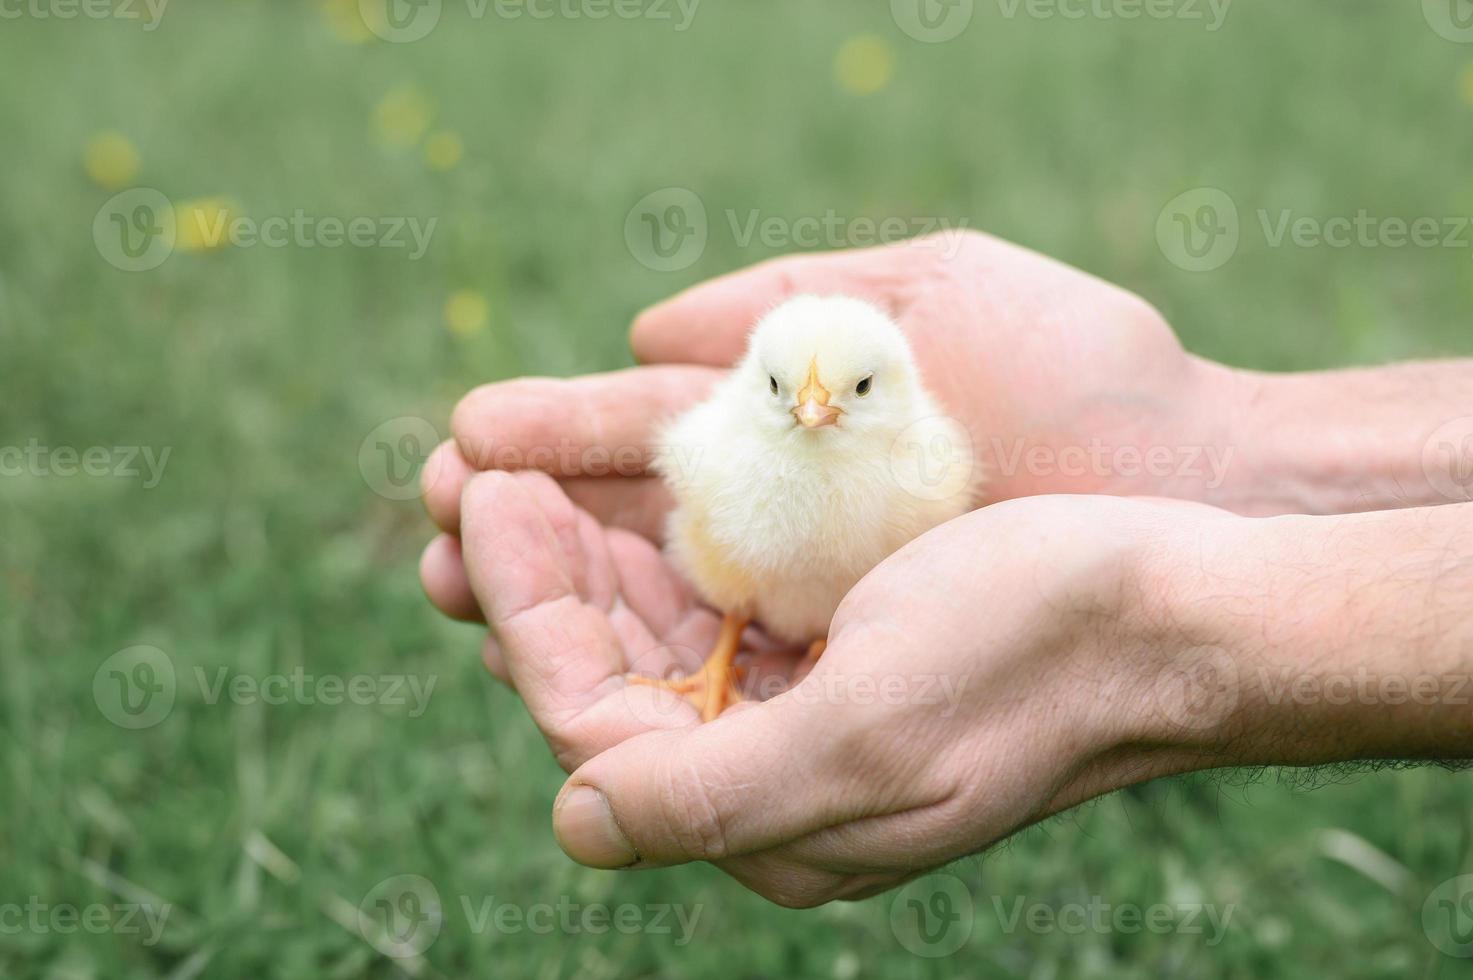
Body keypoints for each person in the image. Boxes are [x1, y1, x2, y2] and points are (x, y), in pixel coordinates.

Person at [417, 232, 1473, 908]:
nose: (816, 409)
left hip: (844, 568)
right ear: (763, 382)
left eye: (844, 392)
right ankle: (726, 653)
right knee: (735, 580)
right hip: (745, 590)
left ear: (889, 384)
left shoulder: (921, 455)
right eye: (791, 390)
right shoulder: (716, 443)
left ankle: (816, 639)